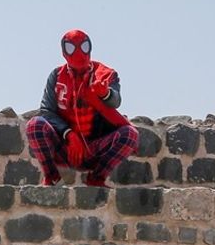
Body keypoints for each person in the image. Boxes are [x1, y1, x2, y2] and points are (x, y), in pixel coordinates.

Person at [26, 29, 139, 187]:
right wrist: (69, 134)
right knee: (34, 125)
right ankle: (52, 176)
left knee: (130, 135)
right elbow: (46, 111)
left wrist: (105, 93)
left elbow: (116, 101)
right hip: (65, 148)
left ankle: (97, 178)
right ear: (64, 53)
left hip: (95, 148)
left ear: (90, 48)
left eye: (83, 46)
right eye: (72, 48)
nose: (79, 53)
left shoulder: (106, 74)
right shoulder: (57, 76)